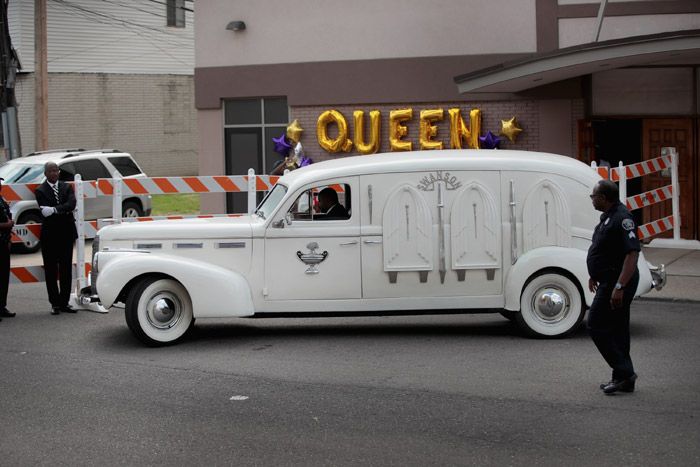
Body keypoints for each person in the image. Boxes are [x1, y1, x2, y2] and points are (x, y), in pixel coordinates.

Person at [586, 179, 640, 395]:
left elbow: (632, 253)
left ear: (604, 198)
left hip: (618, 282)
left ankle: (625, 372)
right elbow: (604, 248)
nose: (592, 199)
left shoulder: (622, 219)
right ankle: (622, 378)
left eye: (593, 196)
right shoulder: (608, 217)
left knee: (596, 325)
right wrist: (594, 274)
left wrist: (619, 286)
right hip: (608, 279)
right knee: (618, 329)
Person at [35, 162, 77, 315]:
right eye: (51, 171)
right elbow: (44, 211)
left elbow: (71, 204)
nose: (54, 173)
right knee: (51, 270)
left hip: (66, 234)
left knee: (66, 269)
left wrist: (54, 209)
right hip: (50, 236)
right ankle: (55, 304)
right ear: (45, 173)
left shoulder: (66, 187)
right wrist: (60, 210)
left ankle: (65, 302)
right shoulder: (40, 190)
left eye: (56, 170)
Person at [0, 177, 15, 320]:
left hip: (4, 242)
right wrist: (7, 225)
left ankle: (2, 306)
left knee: (4, 276)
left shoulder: (1, 199)